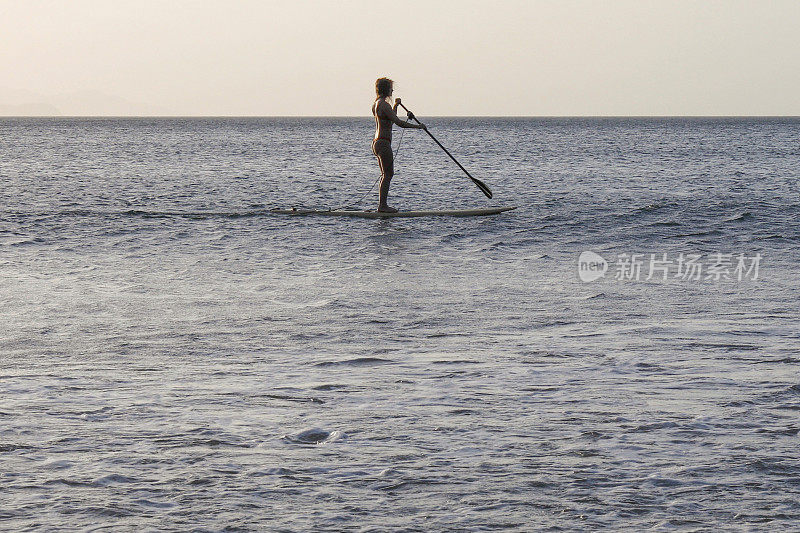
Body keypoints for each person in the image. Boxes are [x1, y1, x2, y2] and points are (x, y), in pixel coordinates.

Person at [371, 77, 426, 213]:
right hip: (383, 143)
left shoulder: (376, 104)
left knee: (386, 174)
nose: (393, 90)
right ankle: (382, 206)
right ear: (386, 89)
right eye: (391, 88)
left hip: (377, 143)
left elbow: (389, 121)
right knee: (388, 174)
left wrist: (395, 106)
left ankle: (382, 205)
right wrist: (418, 127)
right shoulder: (384, 104)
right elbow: (398, 123)